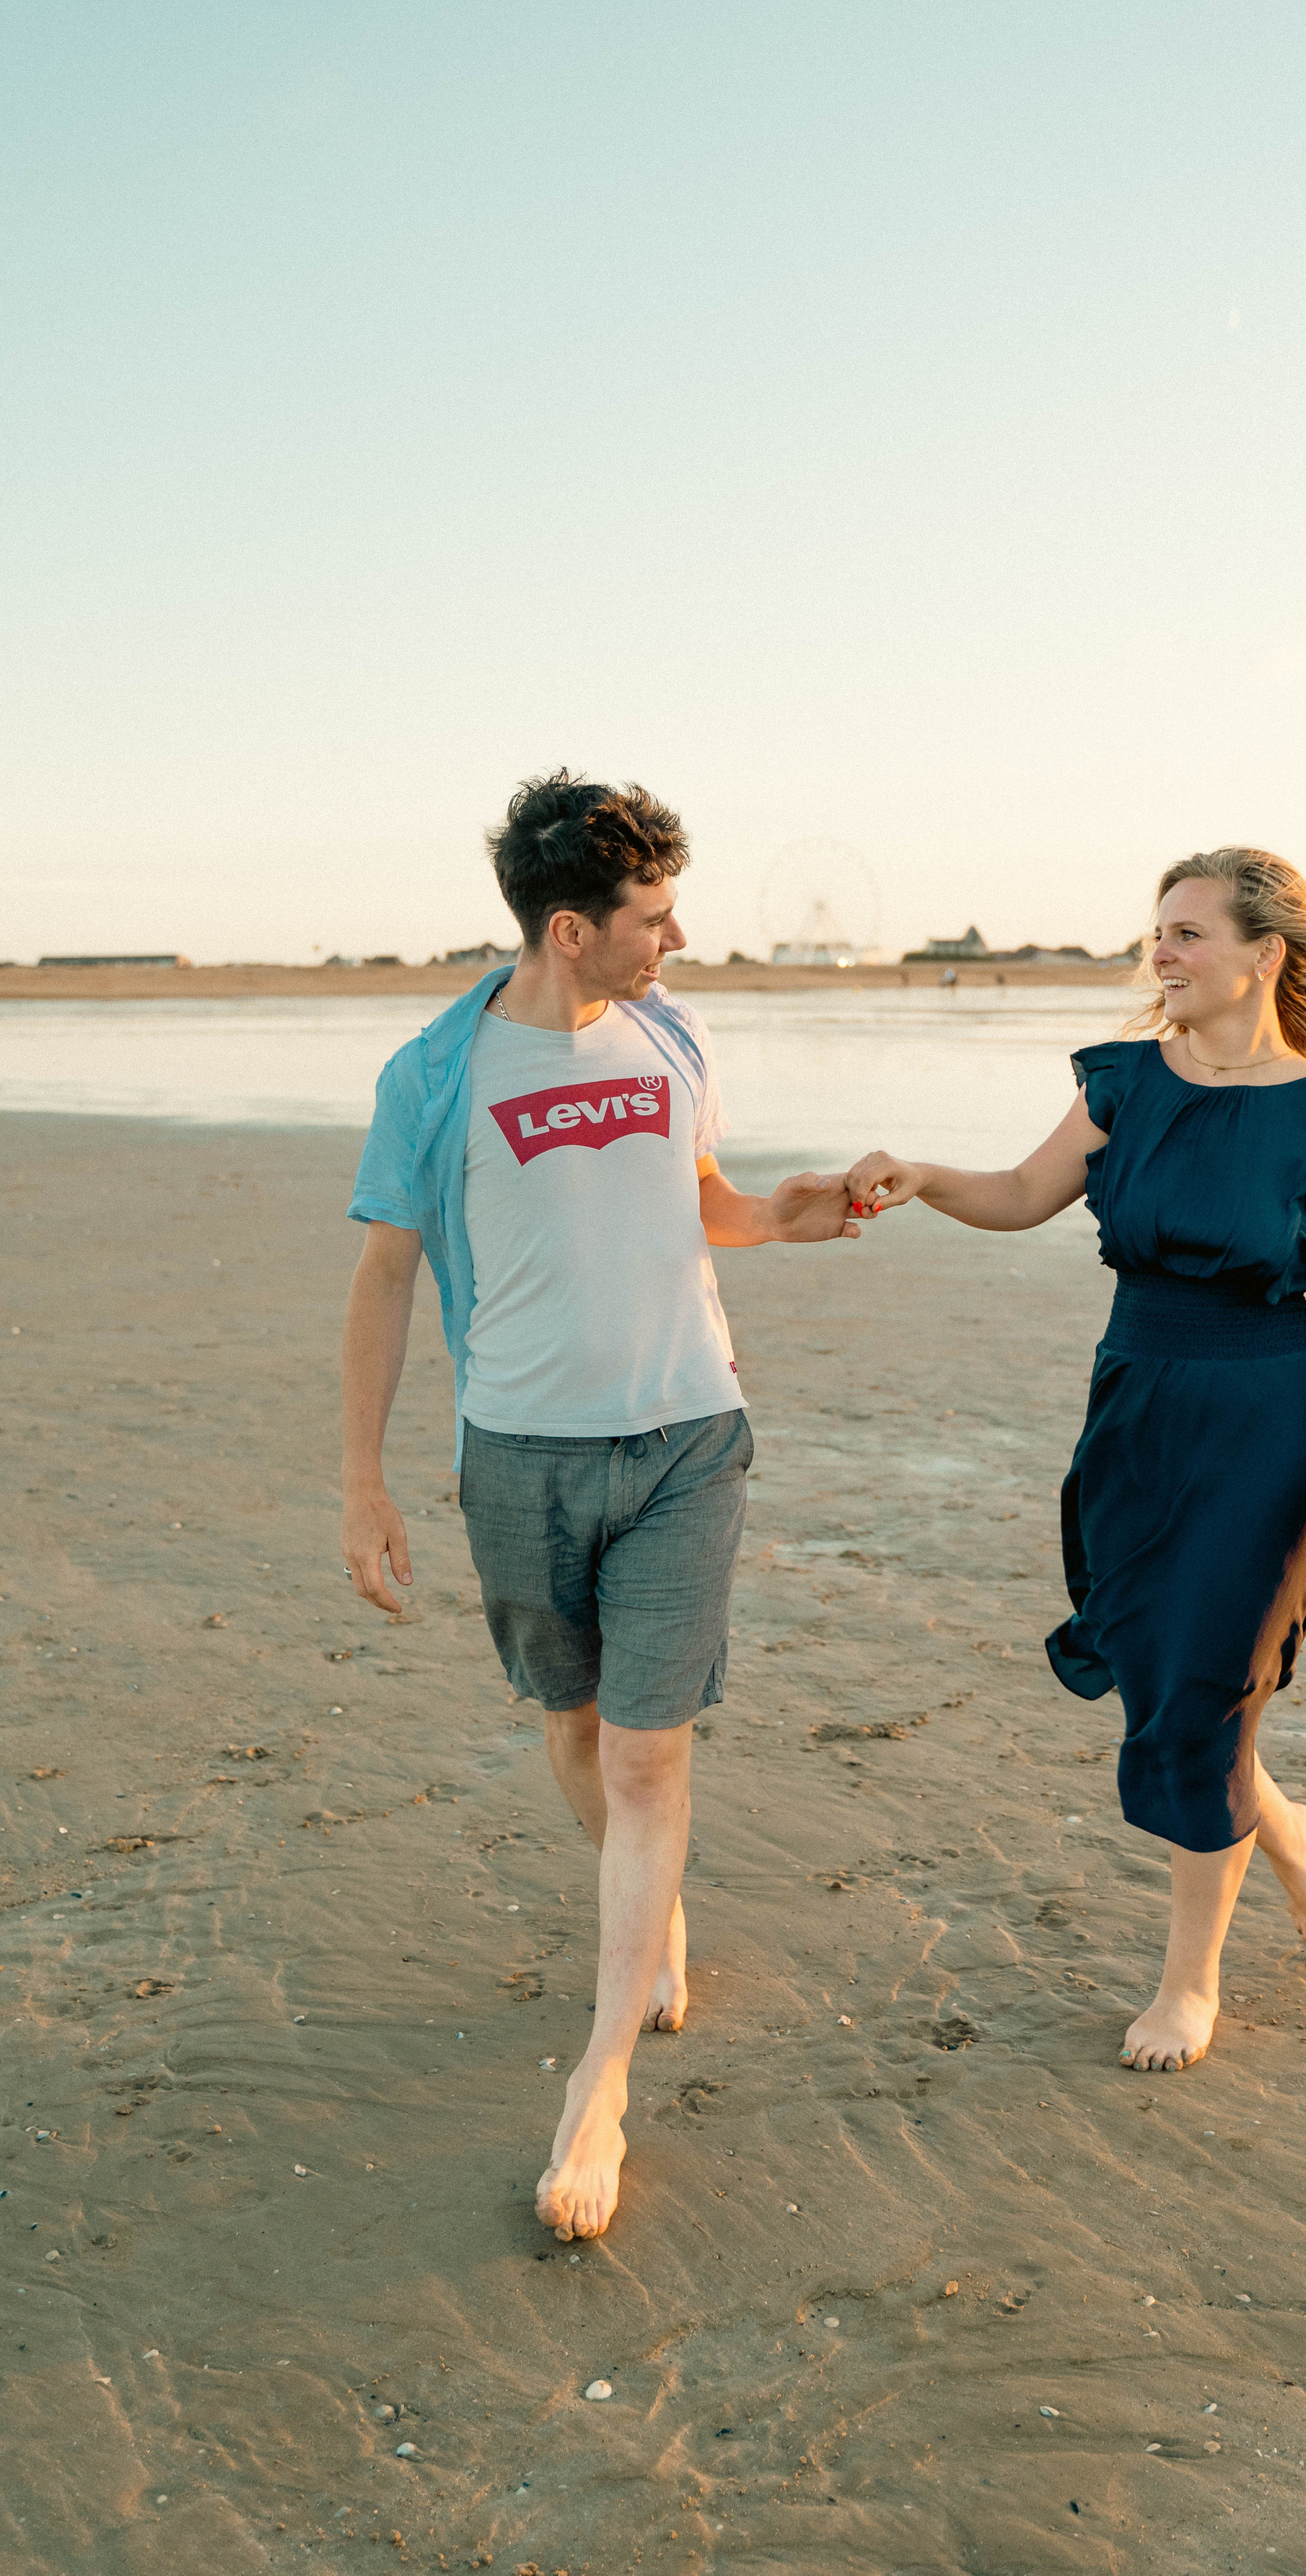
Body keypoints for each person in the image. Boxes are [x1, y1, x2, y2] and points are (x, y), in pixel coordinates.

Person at [341, 771, 862, 2238]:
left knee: (647, 1765)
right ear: (569, 930)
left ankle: (600, 2086)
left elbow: (696, 1197)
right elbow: (383, 1279)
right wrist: (361, 1482)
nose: (674, 937)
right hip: (516, 1457)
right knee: (574, 1736)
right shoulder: (434, 1078)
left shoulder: (674, 1033)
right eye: (649, 917)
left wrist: (781, 1214)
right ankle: (655, 1910)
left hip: (688, 1439)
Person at [846, 846, 1306, 2075]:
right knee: (1157, 1665)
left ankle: (1189, 1986)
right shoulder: (1125, 1086)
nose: (1164, 954)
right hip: (1138, 1407)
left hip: (1269, 1423)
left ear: (1267, 954)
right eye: (1159, 933)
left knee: (1206, 1686)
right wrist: (927, 1177)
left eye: (1191, 933)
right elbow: (1027, 1192)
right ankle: (1283, 1826)